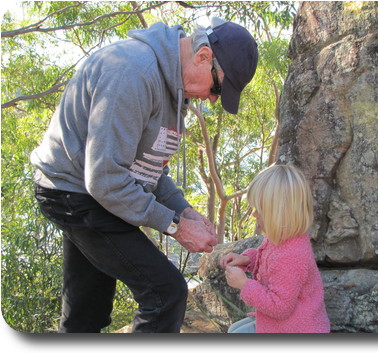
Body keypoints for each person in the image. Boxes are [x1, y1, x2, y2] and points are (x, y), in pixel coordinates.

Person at [30, 17, 258, 333]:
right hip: (73, 192)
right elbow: (106, 179)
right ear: (203, 56)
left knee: (86, 313)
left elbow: (149, 170)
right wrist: (177, 227)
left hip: (99, 192)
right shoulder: (133, 74)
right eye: (218, 87)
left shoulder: (175, 90)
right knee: (166, 293)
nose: (214, 98)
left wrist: (184, 210)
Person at [220, 164, 331, 333]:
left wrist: (244, 284)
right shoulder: (284, 238)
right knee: (236, 330)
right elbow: (271, 261)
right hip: (288, 325)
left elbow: (279, 307)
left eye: (260, 210)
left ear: (278, 214)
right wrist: (247, 259)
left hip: (298, 329)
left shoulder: (292, 255)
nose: (254, 214)